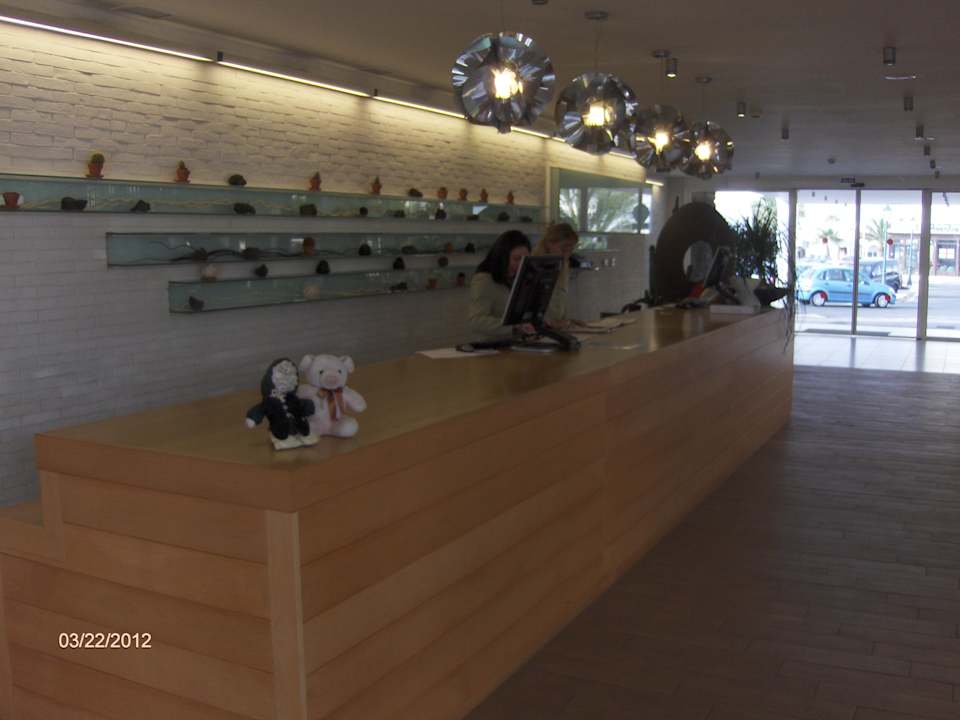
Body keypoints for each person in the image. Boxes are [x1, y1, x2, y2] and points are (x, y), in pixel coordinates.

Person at [468, 230, 532, 337]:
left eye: (525, 260)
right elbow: (476, 321)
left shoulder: (517, 277)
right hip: (494, 344)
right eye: (517, 259)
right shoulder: (484, 279)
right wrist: (514, 327)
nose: (521, 264)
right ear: (502, 257)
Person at [533, 222, 579, 326]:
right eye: (563, 248)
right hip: (539, 327)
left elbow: (561, 299)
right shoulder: (535, 266)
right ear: (549, 244)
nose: (566, 254)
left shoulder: (563, 264)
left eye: (570, 250)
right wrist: (550, 323)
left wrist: (567, 322)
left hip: (555, 326)